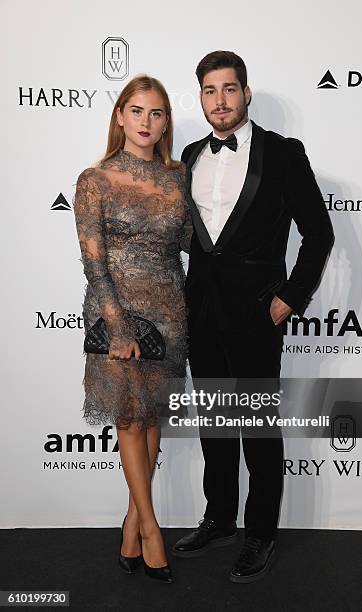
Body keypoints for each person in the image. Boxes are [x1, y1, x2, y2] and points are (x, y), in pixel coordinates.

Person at [172, 51, 334, 583]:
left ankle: (260, 530)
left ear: (246, 93)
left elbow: (319, 234)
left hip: (258, 314)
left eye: (229, 89)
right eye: (209, 90)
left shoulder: (283, 153)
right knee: (217, 426)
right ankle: (219, 517)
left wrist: (291, 296)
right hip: (201, 312)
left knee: (259, 429)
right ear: (201, 97)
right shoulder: (191, 155)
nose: (220, 99)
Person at [73, 74, 191, 584]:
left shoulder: (178, 176)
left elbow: (192, 241)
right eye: (137, 111)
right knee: (128, 419)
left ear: (166, 122)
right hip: (114, 311)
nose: (147, 122)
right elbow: (93, 262)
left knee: (151, 419)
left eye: (157, 113)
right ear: (120, 115)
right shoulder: (94, 180)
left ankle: (129, 524)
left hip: (169, 308)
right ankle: (151, 531)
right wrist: (118, 324)